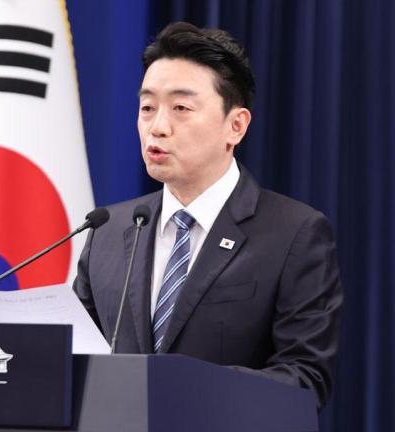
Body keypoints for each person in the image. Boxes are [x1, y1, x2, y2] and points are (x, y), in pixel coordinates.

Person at [73, 22, 343, 408]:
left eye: (181, 108)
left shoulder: (294, 233)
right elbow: (75, 358)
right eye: (147, 108)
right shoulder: (108, 230)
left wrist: (181, 386)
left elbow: (306, 379)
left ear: (236, 126)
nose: (157, 127)